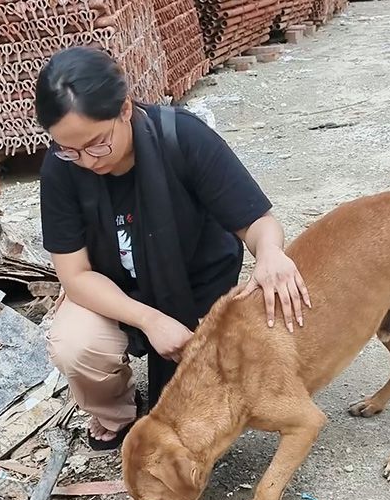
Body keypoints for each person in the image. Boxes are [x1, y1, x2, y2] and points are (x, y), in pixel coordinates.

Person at [37, 47, 309, 449]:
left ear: (125, 109)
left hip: (197, 289)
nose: (88, 161)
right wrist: (149, 320)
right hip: (115, 293)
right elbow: (74, 276)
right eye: (69, 150)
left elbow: (258, 222)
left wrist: (269, 253)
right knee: (74, 344)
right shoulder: (61, 170)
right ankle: (120, 414)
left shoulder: (182, 137)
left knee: (210, 408)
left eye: (96, 144)